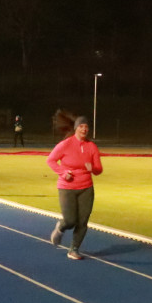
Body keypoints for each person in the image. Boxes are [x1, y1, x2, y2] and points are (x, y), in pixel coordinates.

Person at [46, 110, 103, 260]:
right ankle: (61, 227)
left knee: (83, 221)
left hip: (86, 188)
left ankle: (74, 249)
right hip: (67, 187)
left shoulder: (92, 147)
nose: (84, 129)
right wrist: (63, 172)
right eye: (81, 126)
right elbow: (50, 160)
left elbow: (99, 170)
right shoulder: (65, 144)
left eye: (86, 127)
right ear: (76, 128)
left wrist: (93, 169)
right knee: (70, 220)